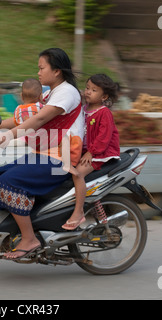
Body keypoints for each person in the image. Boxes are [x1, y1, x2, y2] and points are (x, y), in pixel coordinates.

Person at [0, 48, 84, 260]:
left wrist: (8, 137)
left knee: (8, 182)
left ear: (57, 71)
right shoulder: (50, 93)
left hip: (62, 157)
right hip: (45, 152)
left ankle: (29, 238)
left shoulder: (66, 93)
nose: (39, 73)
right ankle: (19, 229)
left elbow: (38, 120)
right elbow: (22, 120)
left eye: (42, 68)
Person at [62, 74, 120, 230]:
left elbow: (104, 138)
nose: (88, 92)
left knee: (78, 173)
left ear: (104, 96)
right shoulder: (83, 109)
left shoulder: (103, 112)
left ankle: (78, 212)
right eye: (87, 88)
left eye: (94, 90)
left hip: (101, 153)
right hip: (86, 151)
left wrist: (91, 153)